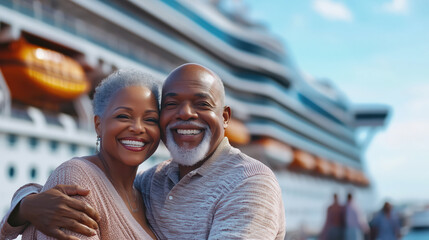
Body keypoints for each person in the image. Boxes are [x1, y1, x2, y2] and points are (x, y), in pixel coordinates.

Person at [1, 63, 286, 239]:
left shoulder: (249, 182)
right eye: (172, 104)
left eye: (202, 103)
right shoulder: (156, 180)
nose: (185, 114)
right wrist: (26, 206)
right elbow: (94, 188)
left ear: (225, 117)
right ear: (98, 124)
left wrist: (26, 205)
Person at [0, 69, 162, 239]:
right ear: (98, 125)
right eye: (123, 116)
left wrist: (24, 202)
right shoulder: (77, 180)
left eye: (150, 119)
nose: (137, 128)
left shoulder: (146, 192)